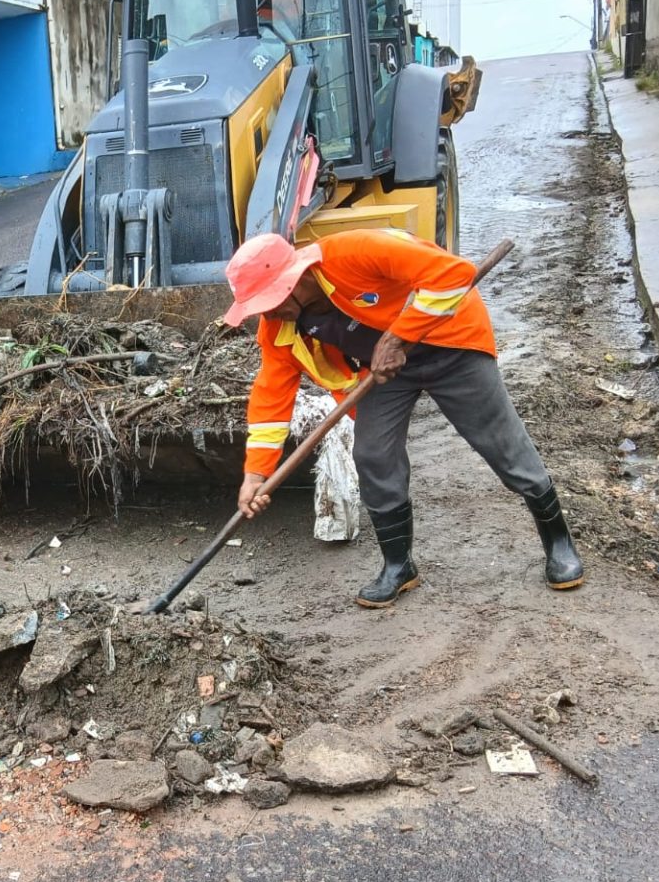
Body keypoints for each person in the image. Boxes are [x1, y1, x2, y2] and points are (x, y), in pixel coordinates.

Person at [224, 228, 583, 608]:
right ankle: (398, 566)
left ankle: (558, 542)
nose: (267, 312)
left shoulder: (356, 252)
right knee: (372, 454)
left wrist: (395, 338)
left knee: (500, 441)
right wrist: (254, 476)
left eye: (270, 300)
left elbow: (453, 274)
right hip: (383, 373)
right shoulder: (279, 325)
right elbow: (271, 397)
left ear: (294, 278)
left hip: (451, 343)